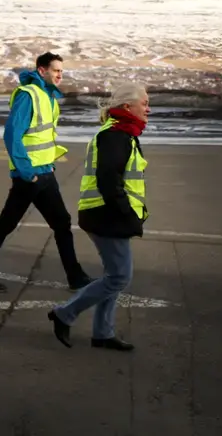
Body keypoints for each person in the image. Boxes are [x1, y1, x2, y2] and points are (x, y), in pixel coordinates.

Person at [0, 52, 93, 293]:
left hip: (44, 172)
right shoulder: (29, 96)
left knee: (55, 223)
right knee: (19, 223)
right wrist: (28, 172)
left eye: (61, 71)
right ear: (42, 71)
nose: (60, 75)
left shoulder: (47, 96)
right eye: (55, 70)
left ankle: (74, 275)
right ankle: (74, 276)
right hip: (31, 176)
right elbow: (11, 134)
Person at [48, 82, 150, 351]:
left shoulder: (121, 133)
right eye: (145, 103)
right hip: (107, 216)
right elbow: (108, 180)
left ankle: (102, 333)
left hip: (105, 214)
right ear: (127, 107)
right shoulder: (116, 135)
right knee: (119, 277)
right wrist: (127, 213)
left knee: (113, 275)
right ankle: (64, 314)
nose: (148, 109)